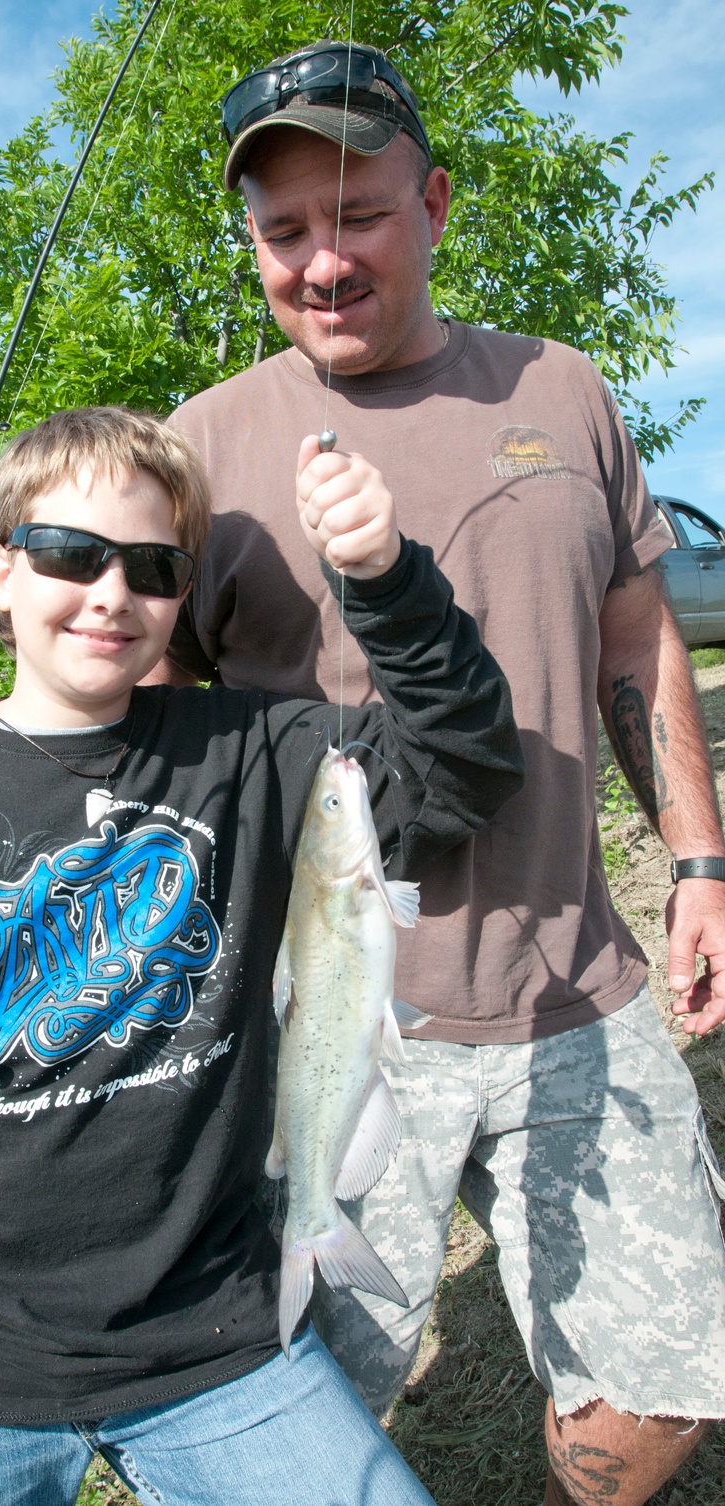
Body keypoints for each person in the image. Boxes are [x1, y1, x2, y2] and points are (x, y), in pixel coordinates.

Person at [0, 406, 522, 1506]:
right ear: (2, 572)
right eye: (71, 554)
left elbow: (463, 767)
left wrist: (386, 578)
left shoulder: (254, 748)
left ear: (181, 597)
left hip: (206, 1339)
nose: (112, 593)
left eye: (153, 568)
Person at [166, 40, 725, 1506]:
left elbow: (637, 634)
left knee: (655, 1400)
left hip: (576, 986)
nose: (321, 260)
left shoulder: (565, 387)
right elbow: (146, 743)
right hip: (332, 1026)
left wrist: (701, 862)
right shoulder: (201, 449)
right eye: (283, 232)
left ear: (437, 204)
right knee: (292, 1416)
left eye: (356, 213)